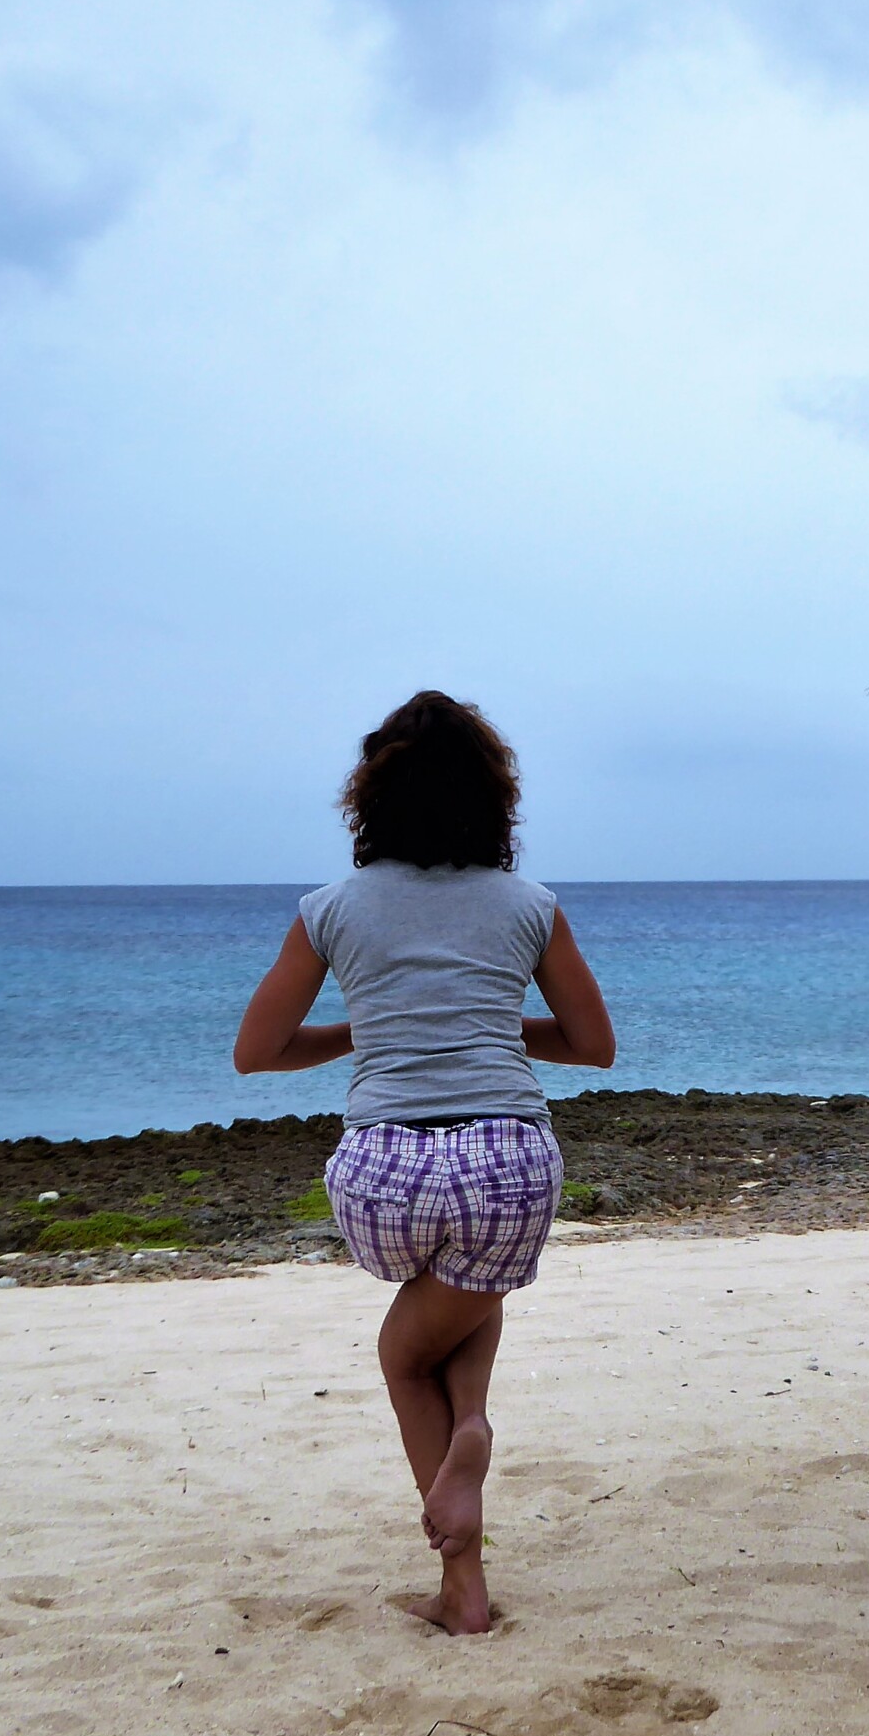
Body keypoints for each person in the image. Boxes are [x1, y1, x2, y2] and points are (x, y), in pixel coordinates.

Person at [233, 690, 614, 1634]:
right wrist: (482, 1020)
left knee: (413, 1344)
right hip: (506, 1160)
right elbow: (592, 1043)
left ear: (372, 796)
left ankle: (464, 1588)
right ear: (494, 799)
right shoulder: (532, 906)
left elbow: (258, 1051)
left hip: (386, 1168)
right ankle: (473, 1434)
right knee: (466, 1289)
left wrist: (368, 1028)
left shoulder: (330, 909)